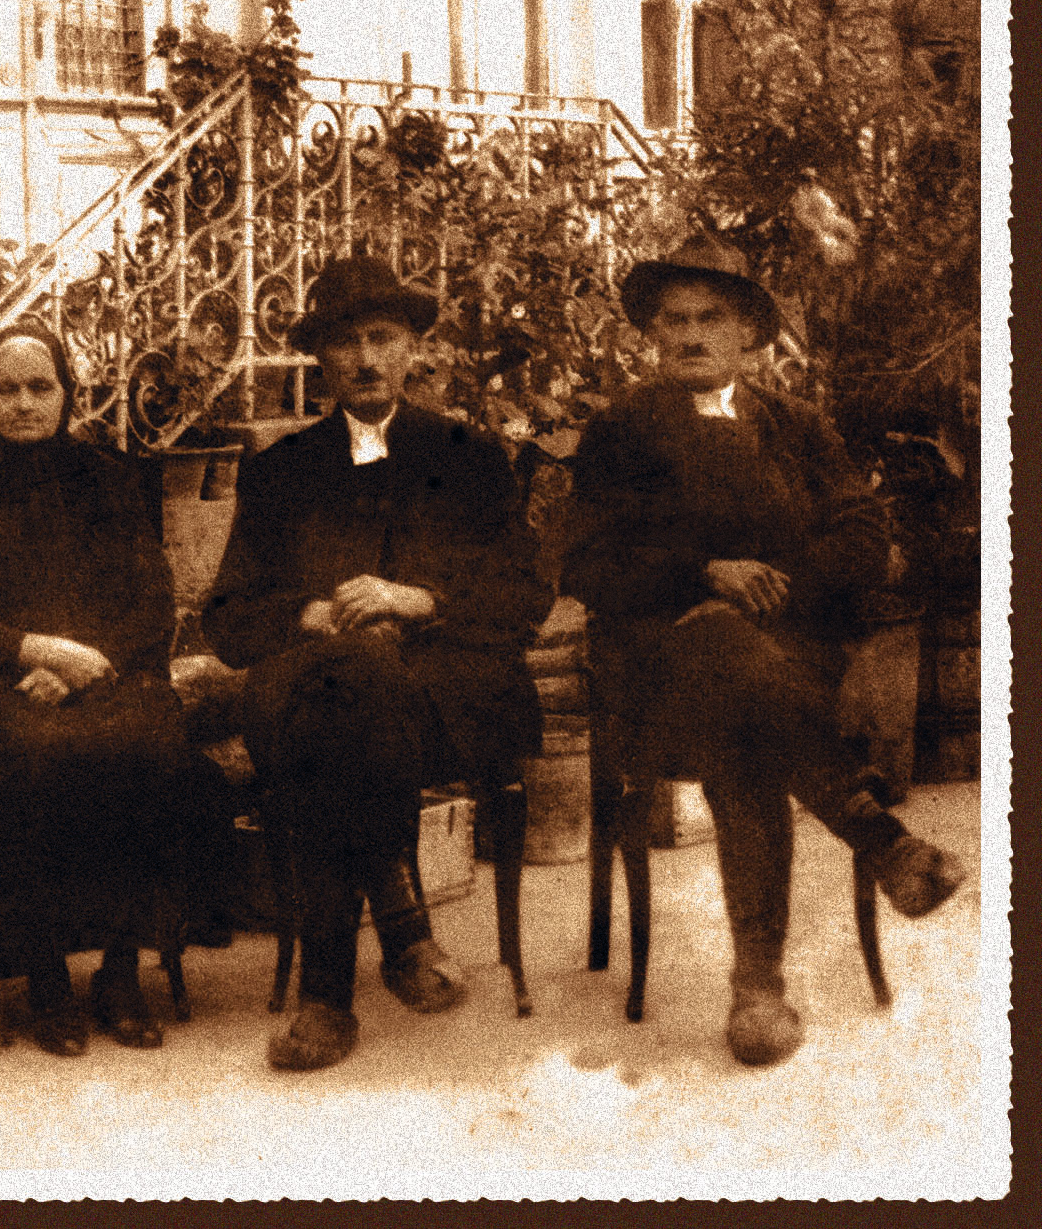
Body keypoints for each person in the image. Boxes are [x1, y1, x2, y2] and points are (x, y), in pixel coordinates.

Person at [563, 234, 967, 1067]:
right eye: (672, 319)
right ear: (651, 332)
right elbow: (584, 563)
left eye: (709, 317)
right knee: (723, 659)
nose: (688, 334)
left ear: (749, 331)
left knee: (741, 697)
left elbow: (862, 536)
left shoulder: (795, 426)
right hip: (655, 667)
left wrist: (773, 586)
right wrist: (702, 574)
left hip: (783, 658)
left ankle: (760, 984)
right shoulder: (618, 432)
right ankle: (871, 850)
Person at [204, 256, 552, 1072]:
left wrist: (418, 599)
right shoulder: (281, 470)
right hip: (314, 682)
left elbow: (522, 592)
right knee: (345, 688)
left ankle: (327, 995)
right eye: (344, 342)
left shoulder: (470, 456)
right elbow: (227, 617)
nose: (364, 359)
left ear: (412, 349)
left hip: (449, 688)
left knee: (341, 711)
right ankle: (399, 921)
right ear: (318, 357)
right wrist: (309, 612)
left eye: (382, 338)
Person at [0, 325, 188, 1055]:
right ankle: (44, 976)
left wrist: (83, 663)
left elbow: (152, 603)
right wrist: (32, 651)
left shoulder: (111, 478)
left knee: (149, 741)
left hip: (105, 669)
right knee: (23, 752)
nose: (25, 403)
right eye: (7, 389)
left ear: (67, 393)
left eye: (41, 387)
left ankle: (121, 971)